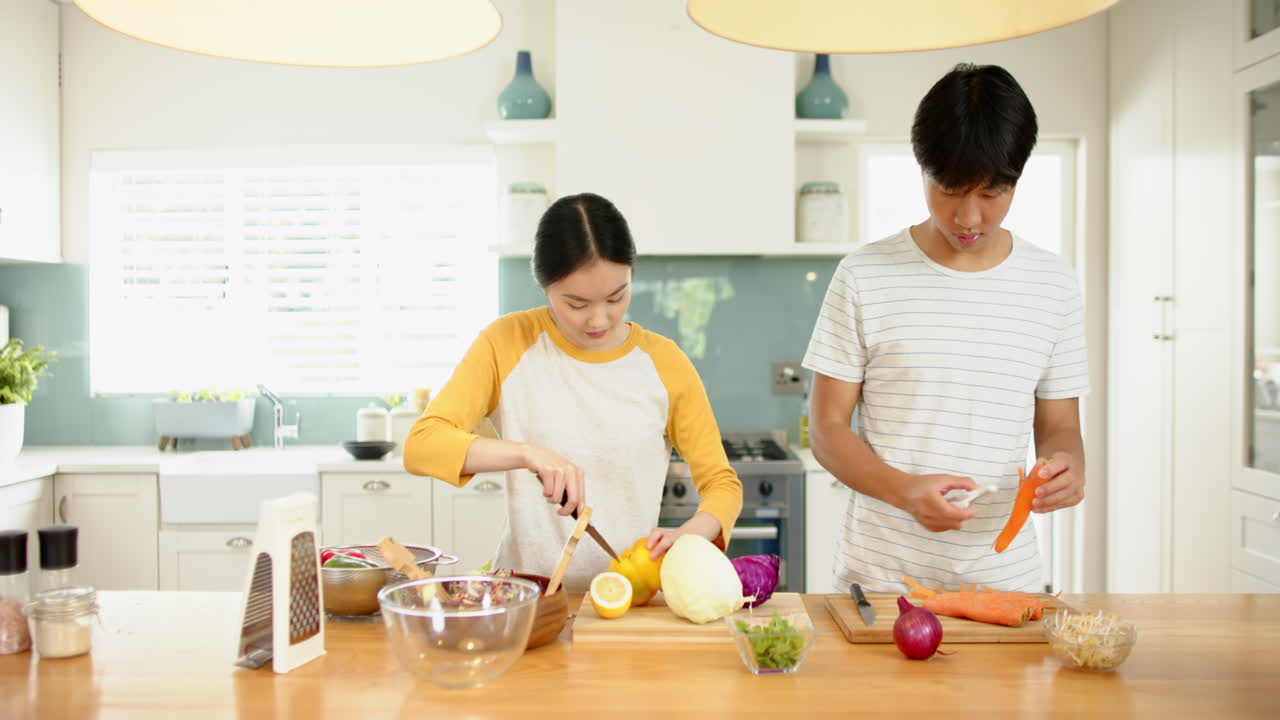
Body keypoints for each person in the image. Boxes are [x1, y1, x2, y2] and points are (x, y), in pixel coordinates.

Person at [802, 63, 1088, 594]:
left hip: (1005, 583)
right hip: (882, 586)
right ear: (923, 169)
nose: (970, 217)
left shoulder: (1054, 283)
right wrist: (904, 491)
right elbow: (827, 431)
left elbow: (1058, 426)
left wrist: (1068, 464)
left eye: (993, 193)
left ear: (1017, 179)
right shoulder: (864, 275)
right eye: (951, 189)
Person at [404, 192, 743, 593]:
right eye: (576, 303)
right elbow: (422, 445)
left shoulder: (665, 362)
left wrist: (689, 535)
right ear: (545, 286)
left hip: (627, 604)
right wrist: (529, 453)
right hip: (525, 600)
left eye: (617, 297)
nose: (599, 319)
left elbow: (722, 485)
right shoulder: (506, 343)